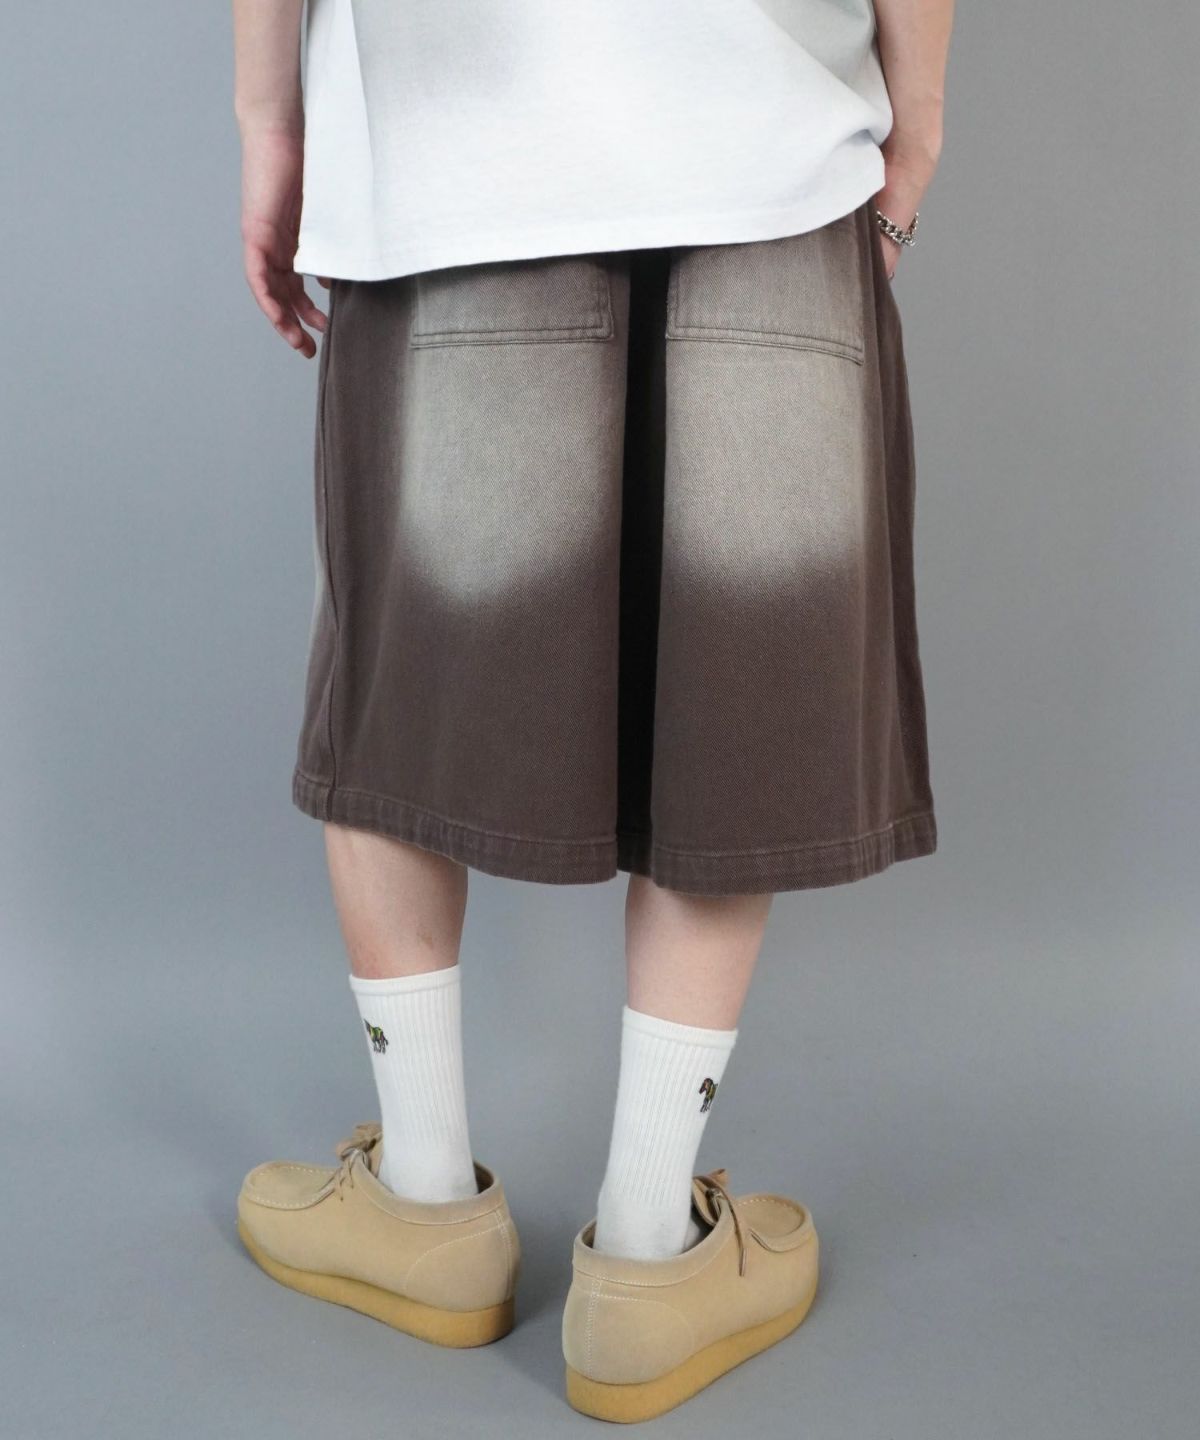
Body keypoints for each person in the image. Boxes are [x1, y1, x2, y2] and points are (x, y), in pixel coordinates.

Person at [231, 0, 954, 1422]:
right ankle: (647, 1254)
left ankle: (422, 1206)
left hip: (455, 159)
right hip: (770, 151)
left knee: (407, 692)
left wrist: (271, 119)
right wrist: (915, 123)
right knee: (733, 692)